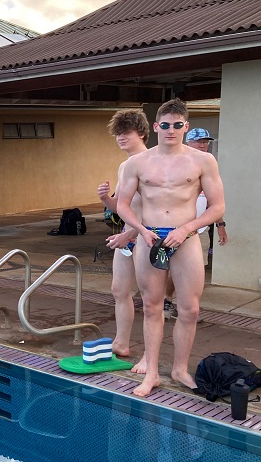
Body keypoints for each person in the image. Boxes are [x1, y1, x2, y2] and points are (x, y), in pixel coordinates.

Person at [117, 98, 225, 397]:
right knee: (152, 307)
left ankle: (179, 369)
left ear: (185, 127)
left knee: (189, 309)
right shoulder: (136, 163)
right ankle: (151, 373)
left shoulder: (202, 161)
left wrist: (187, 228)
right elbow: (123, 205)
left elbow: (217, 207)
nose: (171, 130)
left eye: (177, 125)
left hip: (185, 239)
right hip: (149, 238)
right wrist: (139, 230)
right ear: (155, 127)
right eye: (165, 125)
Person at [97, 109, 149, 369]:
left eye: (126, 132)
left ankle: (150, 356)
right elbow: (124, 206)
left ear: (141, 132)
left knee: (152, 299)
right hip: (127, 237)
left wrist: (132, 232)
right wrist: (106, 198)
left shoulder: (152, 162)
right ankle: (121, 342)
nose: (121, 138)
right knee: (119, 290)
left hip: (148, 236)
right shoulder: (124, 165)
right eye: (118, 133)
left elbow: (157, 210)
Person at [163, 127, 229, 318]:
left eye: (205, 141)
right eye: (198, 141)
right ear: (187, 142)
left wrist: (221, 225)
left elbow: (213, 202)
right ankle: (166, 301)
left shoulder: (209, 166)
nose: (202, 145)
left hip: (199, 232)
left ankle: (186, 308)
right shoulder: (178, 165)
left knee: (195, 274)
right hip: (174, 230)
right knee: (172, 271)